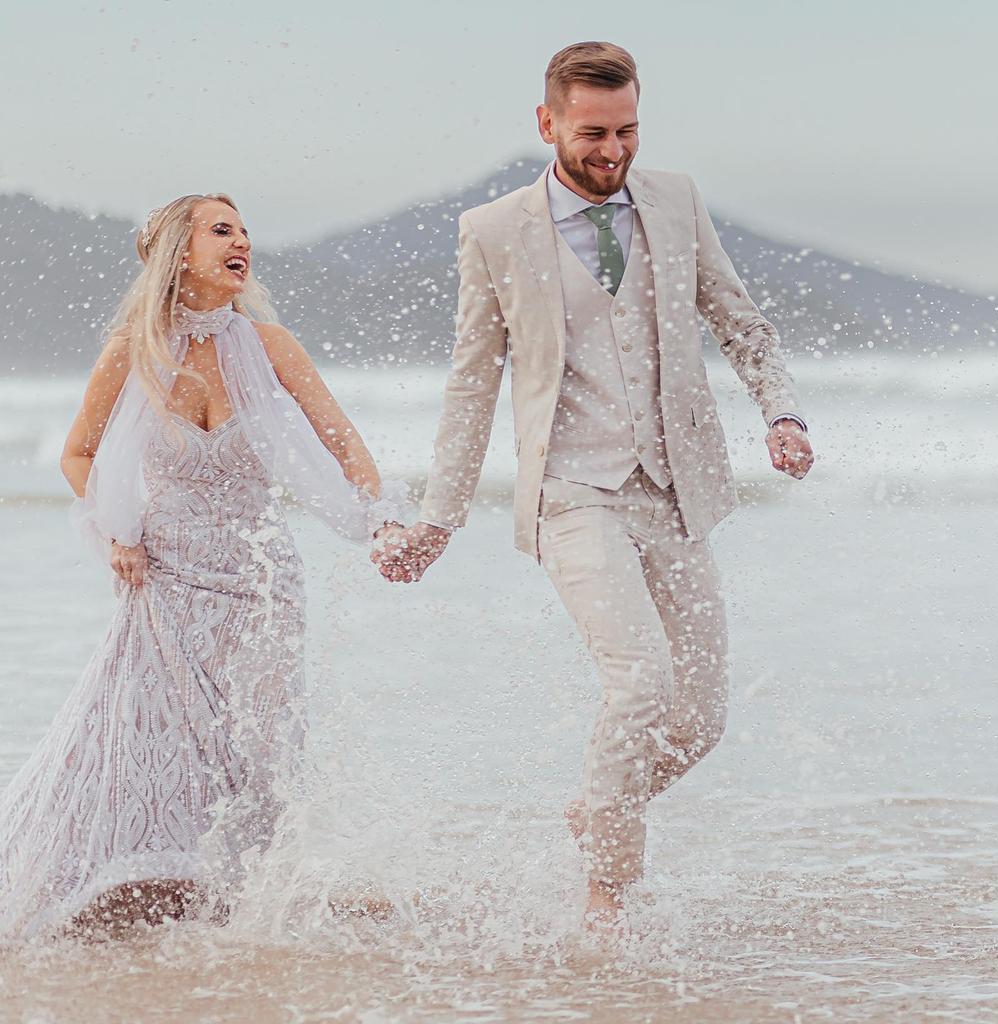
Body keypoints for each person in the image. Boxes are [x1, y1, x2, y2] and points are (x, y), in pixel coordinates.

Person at [373, 42, 814, 930]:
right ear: (547, 124)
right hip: (572, 491)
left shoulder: (677, 201)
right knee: (641, 679)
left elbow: (737, 316)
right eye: (593, 133)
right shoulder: (494, 231)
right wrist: (438, 518)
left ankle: (599, 809)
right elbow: (473, 381)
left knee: (699, 720)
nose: (613, 151)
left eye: (627, 131)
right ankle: (605, 890)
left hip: (675, 487)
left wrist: (782, 413)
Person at [0, 193, 406, 941]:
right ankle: (144, 894)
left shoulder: (272, 345)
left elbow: (346, 446)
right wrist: (114, 531)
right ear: (179, 254)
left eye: (245, 229)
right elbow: (77, 453)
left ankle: (237, 912)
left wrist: (380, 523)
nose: (242, 241)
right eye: (222, 230)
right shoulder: (134, 349)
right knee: (148, 743)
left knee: (254, 755)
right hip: (163, 580)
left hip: (261, 586)